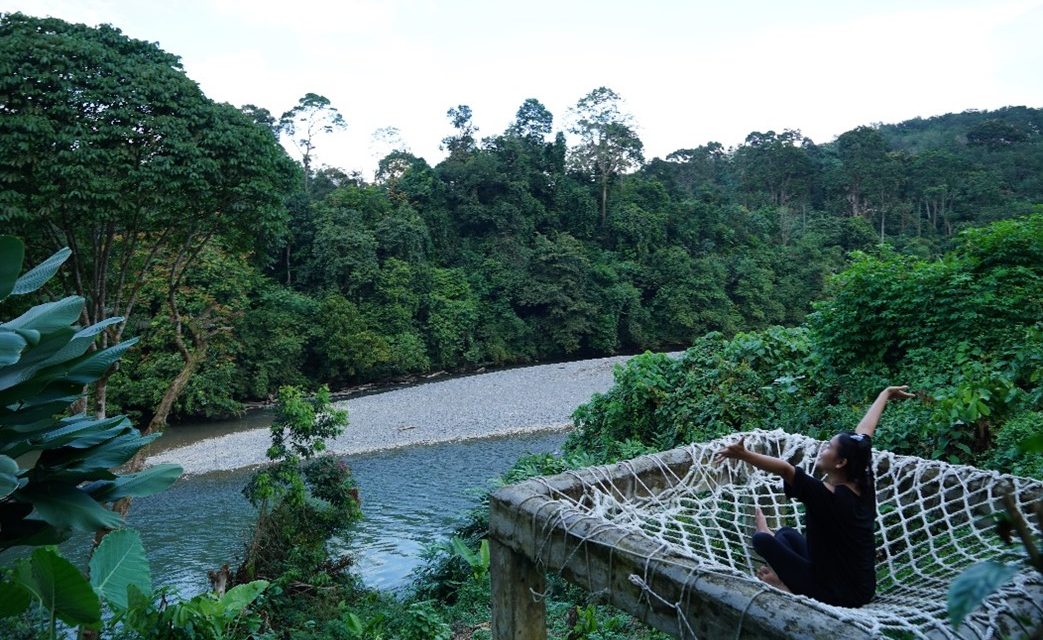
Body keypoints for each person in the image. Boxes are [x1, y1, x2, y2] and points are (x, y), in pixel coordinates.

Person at [714, 385, 915, 607]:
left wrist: (744, 455)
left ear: (840, 463)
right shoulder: (862, 480)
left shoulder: (828, 496)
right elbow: (864, 433)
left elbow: (785, 469)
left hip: (840, 595)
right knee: (787, 534)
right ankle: (784, 572)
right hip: (856, 584)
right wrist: (884, 394)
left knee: (762, 539)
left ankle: (785, 588)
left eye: (829, 447)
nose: (822, 449)